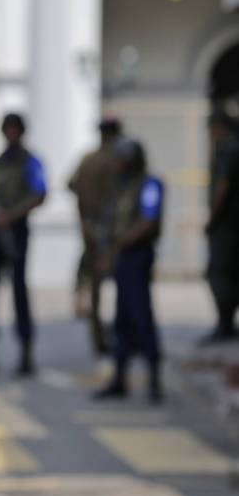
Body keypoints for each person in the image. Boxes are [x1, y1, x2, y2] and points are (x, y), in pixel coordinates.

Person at [0, 113, 47, 376]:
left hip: (15, 233)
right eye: (7, 129)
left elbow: (39, 194)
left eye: (15, 129)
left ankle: (26, 355)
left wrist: (10, 217)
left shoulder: (30, 162)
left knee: (19, 292)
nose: (11, 134)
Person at [92, 137, 165, 403]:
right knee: (121, 319)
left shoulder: (149, 185)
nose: (116, 164)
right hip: (122, 258)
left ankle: (154, 378)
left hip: (136, 256)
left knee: (141, 317)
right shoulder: (120, 188)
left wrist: (118, 247)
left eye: (120, 159)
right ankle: (119, 379)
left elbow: (148, 220)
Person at [68, 117, 122, 355]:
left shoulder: (88, 160)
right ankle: (121, 337)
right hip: (112, 229)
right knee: (124, 283)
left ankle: (98, 336)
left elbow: (71, 184)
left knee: (95, 285)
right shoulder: (117, 161)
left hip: (89, 225)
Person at [202, 108, 239, 344]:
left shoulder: (228, 148)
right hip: (231, 222)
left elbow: (222, 186)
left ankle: (225, 323)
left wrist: (212, 218)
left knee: (219, 273)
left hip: (227, 223)